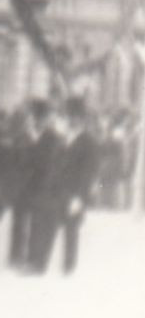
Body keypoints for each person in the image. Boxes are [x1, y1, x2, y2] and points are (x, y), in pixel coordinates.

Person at [28, 97, 100, 276]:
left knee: (71, 231)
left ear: (82, 119)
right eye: (69, 116)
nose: (71, 120)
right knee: (47, 226)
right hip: (56, 190)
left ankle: (69, 268)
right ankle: (39, 264)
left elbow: (89, 172)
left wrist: (80, 198)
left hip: (74, 192)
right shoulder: (62, 138)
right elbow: (55, 164)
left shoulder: (88, 141)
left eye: (75, 117)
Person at [9, 98, 57, 270]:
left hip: (41, 185)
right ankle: (16, 255)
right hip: (22, 184)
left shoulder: (51, 137)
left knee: (38, 223)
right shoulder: (23, 136)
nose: (37, 121)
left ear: (46, 119)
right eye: (34, 117)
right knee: (19, 220)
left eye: (40, 117)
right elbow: (14, 159)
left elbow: (51, 163)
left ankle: (34, 260)